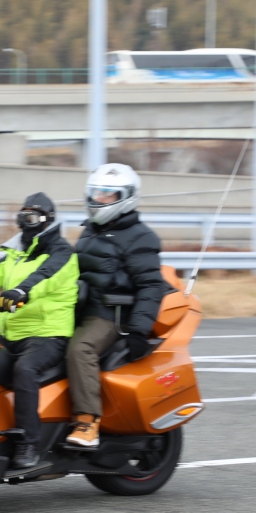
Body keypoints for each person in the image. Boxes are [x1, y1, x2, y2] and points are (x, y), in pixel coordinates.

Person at [65, 164, 171, 448]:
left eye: (108, 194)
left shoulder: (140, 237)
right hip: (80, 309)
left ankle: (87, 421)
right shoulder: (90, 231)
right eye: (95, 193)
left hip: (111, 314)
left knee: (81, 348)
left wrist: (138, 330)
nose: (99, 199)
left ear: (127, 197)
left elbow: (151, 286)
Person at [0, 192, 79, 468]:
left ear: (47, 220)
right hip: (14, 333)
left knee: (25, 369)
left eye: (32, 216)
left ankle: (28, 443)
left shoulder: (62, 253)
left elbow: (44, 278)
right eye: (22, 216)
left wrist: (21, 291)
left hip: (48, 334)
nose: (26, 221)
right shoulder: (17, 252)